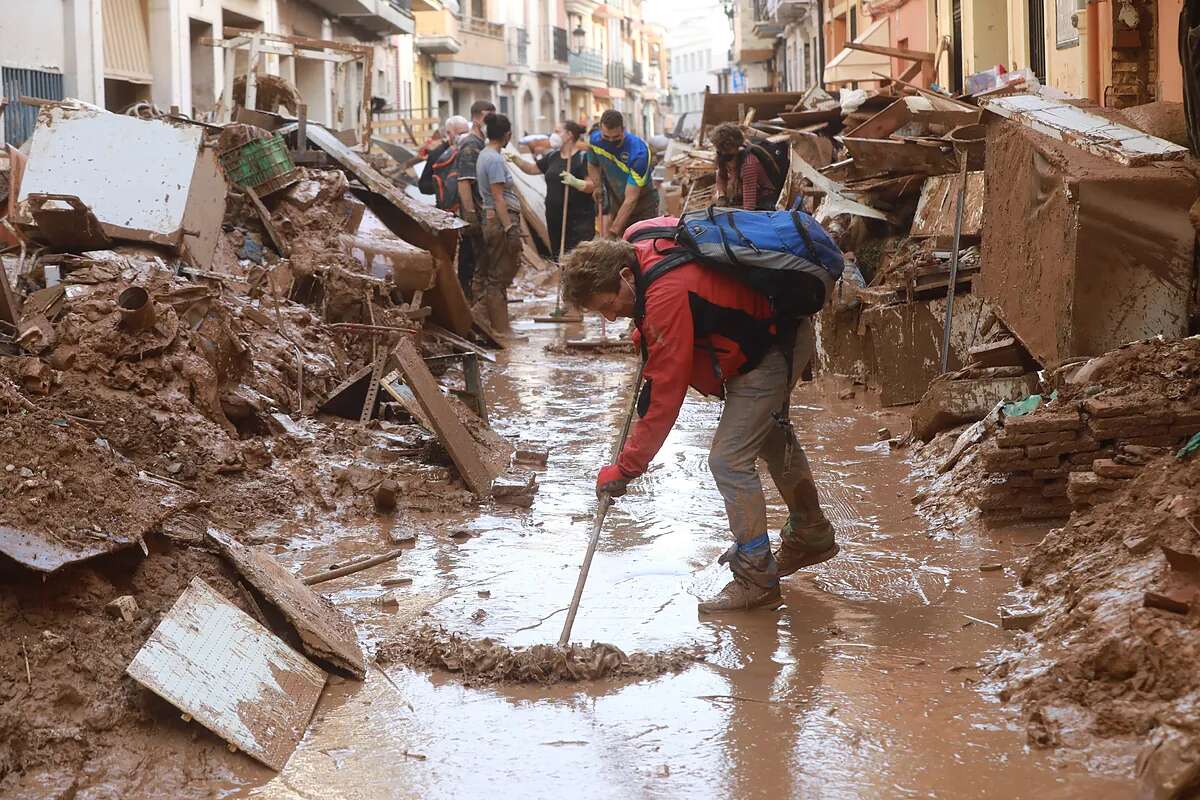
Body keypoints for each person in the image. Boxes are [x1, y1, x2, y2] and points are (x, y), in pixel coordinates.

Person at [559, 220, 838, 614]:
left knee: (728, 460)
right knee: (769, 437)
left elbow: (664, 400)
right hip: (766, 336)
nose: (611, 317)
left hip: (772, 350)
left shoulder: (664, 295)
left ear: (625, 275)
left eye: (609, 306)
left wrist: (624, 469)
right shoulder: (638, 239)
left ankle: (756, 578)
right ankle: (811, 533)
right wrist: (646, 332)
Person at [564, 110, 659, 239]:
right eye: (606, 137)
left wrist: (613, 232)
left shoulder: (639, 153)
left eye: (615, 138)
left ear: (623, 130)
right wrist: (597, 186)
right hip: (617, 200)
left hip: (643, 205)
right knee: (621, 249)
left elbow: (631, 199)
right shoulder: (595, 140)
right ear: (601, 130)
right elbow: (593, 164)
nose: (610, 142)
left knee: (642, 243)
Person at [507, 121, 596, 257]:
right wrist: (517, 160)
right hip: (555, 218)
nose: (554, 135)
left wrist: (576, 182)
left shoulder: (582, 158)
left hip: (578, 220)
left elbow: (592, 186)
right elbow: (531, 169)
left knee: (577, 257)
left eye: (558, 131)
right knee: (558, 254)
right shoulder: (552, 156)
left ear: (569, 135)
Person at [472, 112, 523, 333]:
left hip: (495, 219)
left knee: (496, 273)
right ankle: (494, 325)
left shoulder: (487, 155)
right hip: (501, 220)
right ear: (507, 135)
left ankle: (494, 324)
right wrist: (510, 227)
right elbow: (498, 197)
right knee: (501, 274)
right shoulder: (493, 159)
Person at [454, 100, 496, 298]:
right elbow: (464, 183)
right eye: (487, 118)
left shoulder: (481, 144)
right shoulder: (470, 145)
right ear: (476, 118)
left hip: (483, 212)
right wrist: (470, 215)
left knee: (481, 260)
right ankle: (470, 301)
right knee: (473, 261)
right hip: (476, 214)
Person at [711, 122, 783, 211]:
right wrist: (722, 196)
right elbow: (721, 176)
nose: (725, 158)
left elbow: (749, 207)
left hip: (764, 198)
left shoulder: (749, 164)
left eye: (728, 154)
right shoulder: (723, 157)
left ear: (736, 148)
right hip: (745, 195)